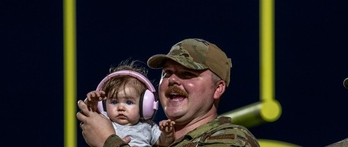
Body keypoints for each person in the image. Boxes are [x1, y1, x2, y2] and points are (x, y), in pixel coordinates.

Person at [77, 38, 260, 147]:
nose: (173, 80)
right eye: (167, 73)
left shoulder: (232, 139)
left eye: (187, 74)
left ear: (218, 88)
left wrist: (108, 141)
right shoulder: (147, 137)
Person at [83, 60, 175, 147]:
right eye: (114, 102)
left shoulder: (149, 126)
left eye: (129, 102)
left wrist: (167, 133)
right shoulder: (106, 120)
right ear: (103, 104)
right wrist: (92, 101)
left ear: (144, 105)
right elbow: (91, 115)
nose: (120, 107)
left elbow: (163, 143)